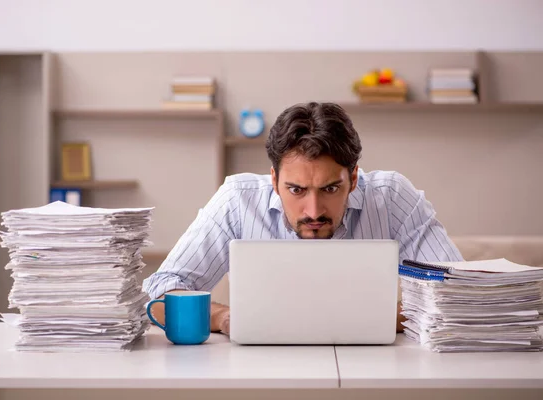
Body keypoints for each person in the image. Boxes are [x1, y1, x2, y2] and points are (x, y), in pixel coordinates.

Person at [142, 101, 463, 335]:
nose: (313, 211)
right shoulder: (237, 200)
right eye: (296, 189)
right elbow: (158, 295)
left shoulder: (391, 196)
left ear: (353, 178)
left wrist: (384, 318)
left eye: (330, 188)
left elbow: (458, 293)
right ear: (274, 179)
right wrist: (223, 318)